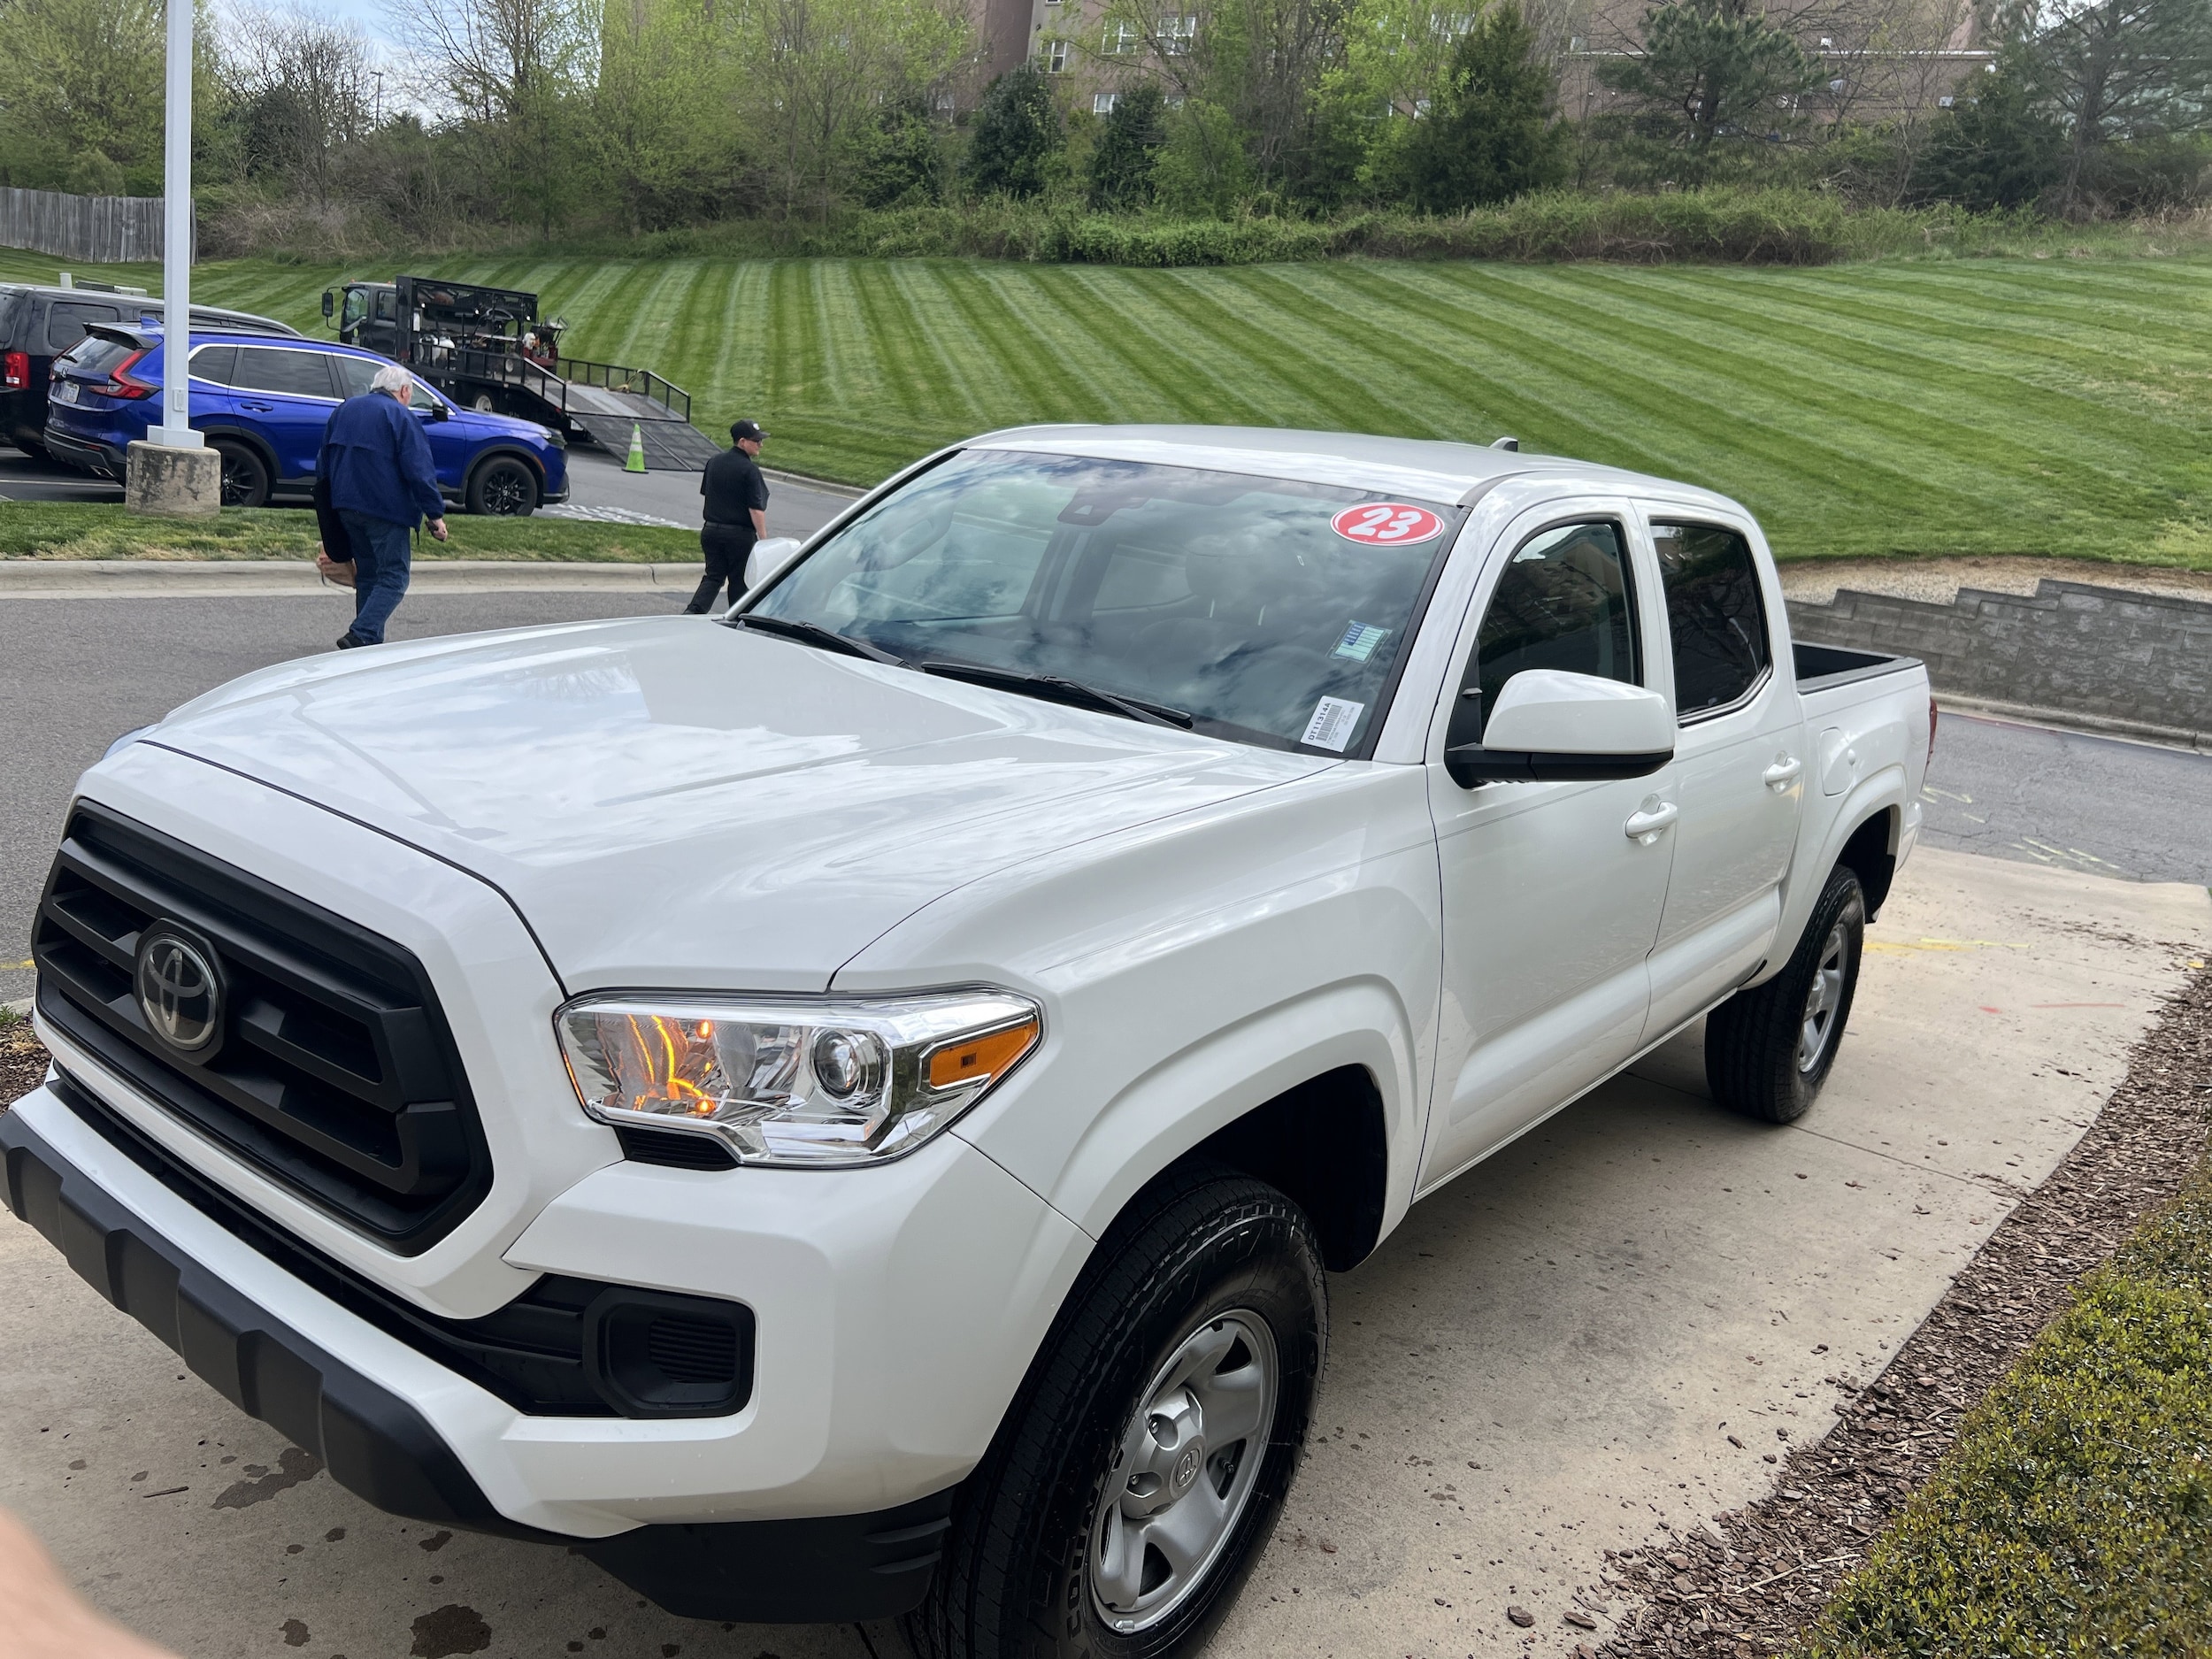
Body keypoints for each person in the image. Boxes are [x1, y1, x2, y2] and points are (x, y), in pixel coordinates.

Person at [314, 363, 449, 649]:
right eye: (409, 394)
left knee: (368, 574)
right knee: (394, 576)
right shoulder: (400, 416)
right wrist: (435, 514)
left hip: (345, 506)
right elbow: (419, 470)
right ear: (403, 391)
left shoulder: (345, 410)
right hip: (387, 511)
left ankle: (369, 640)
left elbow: (322, 463)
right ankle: (362, 632)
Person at [687, 419, 770, 615]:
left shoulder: (714, 462)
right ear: (742, 442)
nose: (761, 445)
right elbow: (756, 509)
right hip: (739, 536)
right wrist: (764, 540)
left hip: (711, 531)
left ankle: (693, 612)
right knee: (739, 580)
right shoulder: (750, 470)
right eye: (756, 441)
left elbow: (708, 493)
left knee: (713, 576)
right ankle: (738, 617)